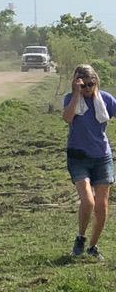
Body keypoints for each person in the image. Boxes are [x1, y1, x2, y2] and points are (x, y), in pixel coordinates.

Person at [62, 64, 116, 260]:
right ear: (76, 84)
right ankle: (81, 237)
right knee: (88, 201)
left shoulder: (106, 100)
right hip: (78, 157)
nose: (87, 89)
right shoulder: (71, 99)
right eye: (83, 85)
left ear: (96, 82)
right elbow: (67, 118)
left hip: (102, 157)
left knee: (102, 205)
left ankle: (93, 246)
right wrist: (76, 94)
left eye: (90, 84)